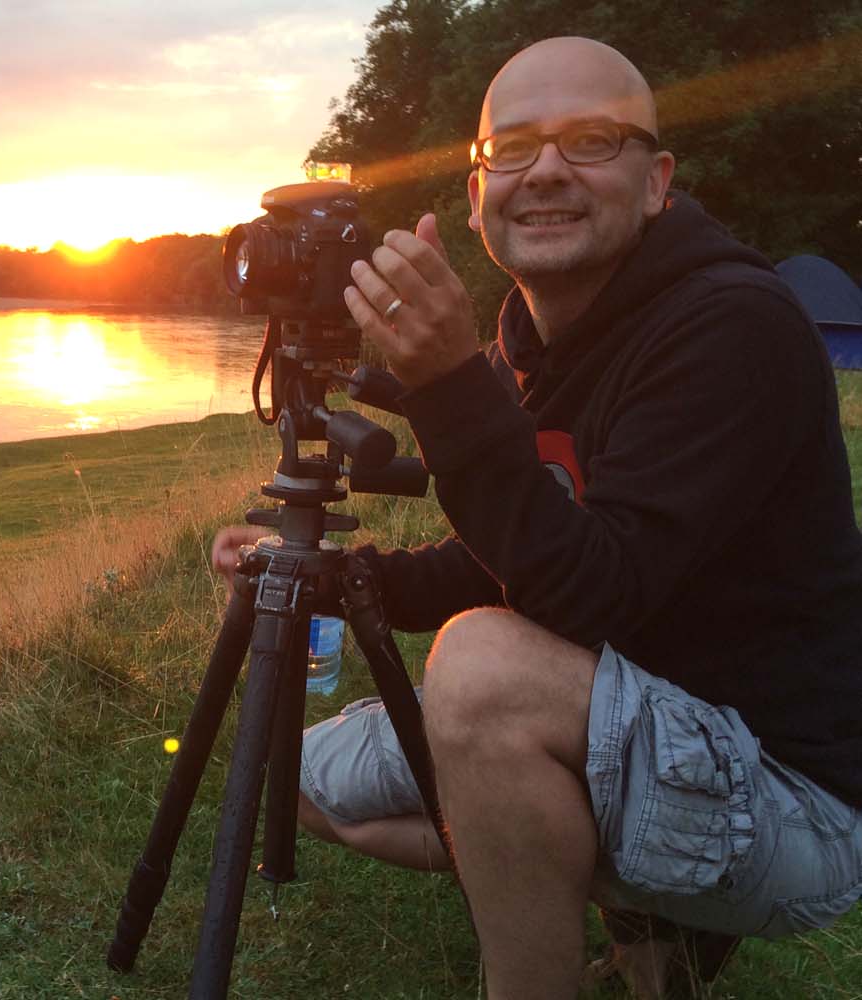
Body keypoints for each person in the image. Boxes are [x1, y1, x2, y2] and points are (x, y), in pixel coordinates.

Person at [212, 36, 862, 999]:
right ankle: (645, 924)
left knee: (482, 669)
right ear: (477, 198)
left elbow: (585, 589)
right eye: (511, 147)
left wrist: (450, 386)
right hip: (626, 720)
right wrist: (345, 583)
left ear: (656, 183)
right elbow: (515, 554)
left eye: (592, 140)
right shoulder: (539, 339)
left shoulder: (733, 327)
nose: (547, 169)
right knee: (295, 775)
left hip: (785, 797)